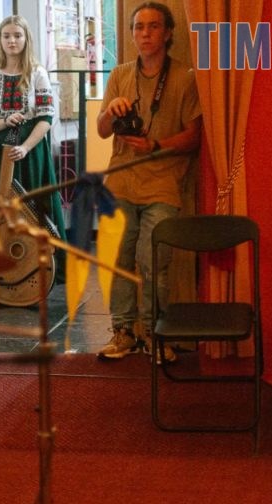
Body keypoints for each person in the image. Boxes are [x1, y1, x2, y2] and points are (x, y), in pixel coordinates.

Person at [96, 1, 202, 362]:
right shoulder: (119, 74)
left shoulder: (185, 76)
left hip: (163, 184)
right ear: (131, 34)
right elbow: (101, 130)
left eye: (153, 26)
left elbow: (194, 137)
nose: (145, 34)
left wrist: (155, 145)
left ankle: (157, 335)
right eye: (139, 27)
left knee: (153, 262)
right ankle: (124, 332)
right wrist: (111, 112)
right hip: (120, 182)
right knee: (119, 260)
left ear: (168, 33)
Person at [0, 15, 65, 242]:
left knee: (33, 210)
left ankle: (40, 261)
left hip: (31, 151)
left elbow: (46, 118)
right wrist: (5, 121)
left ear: (26, 38)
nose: (11, 41)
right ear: (0, 39)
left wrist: (25, 148)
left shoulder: (37, 73)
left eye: (17, 35)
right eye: (6, 36)